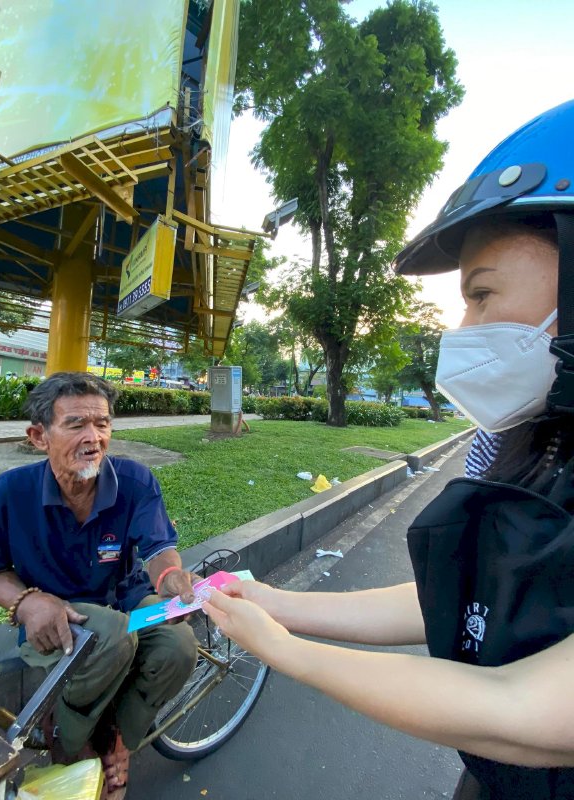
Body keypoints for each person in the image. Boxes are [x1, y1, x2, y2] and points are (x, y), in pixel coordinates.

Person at [202, 99, 574, 799]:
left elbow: (531, 709)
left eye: (482, 295)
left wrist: (285, 649)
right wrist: (278, 602)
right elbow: (464, 597)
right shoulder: (530, 445)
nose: (462, 330)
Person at [0, 372, 198, 800]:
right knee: (111, 637)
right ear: (39, 436)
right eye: (76, 424)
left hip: (125, 598)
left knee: (178, 645)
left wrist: (170, 579)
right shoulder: (9, 493)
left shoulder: (135, 482)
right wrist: (27, 602)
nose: (94, 437)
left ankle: (118, 742)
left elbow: (159, 549)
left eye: (103, 424)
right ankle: (71, 745)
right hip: (54, 614)